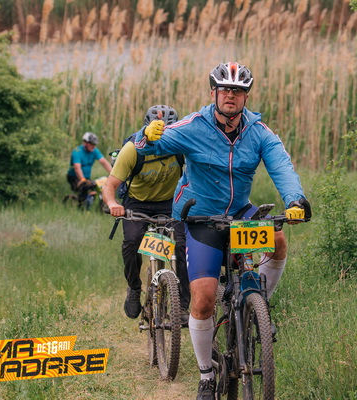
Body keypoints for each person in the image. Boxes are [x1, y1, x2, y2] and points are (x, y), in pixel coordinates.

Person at [133, 62, 309, 399]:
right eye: (225, 89)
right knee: (203, 301)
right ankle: (205, 375)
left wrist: (295, 199)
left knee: (278, 238)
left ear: (246, 97)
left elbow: (282, 166)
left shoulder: (259, 132)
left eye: (238, 91)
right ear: (214, 93)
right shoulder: (194, 125)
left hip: (239, 211)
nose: (231, 95)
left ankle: (259, 307)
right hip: (200, 215)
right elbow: (151, 146)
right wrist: (147, 135)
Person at [102, 105, 190, 320]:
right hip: (137, 203)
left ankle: (183, 303)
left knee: (182, 245)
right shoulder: (132, 150)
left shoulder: (181, 148)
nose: (164, 138)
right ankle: (134, 288)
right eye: (160, 132)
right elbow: (109, 185)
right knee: (132, 241)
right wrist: (113, 204)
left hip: (169, 202)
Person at [66, 132, 113, 209]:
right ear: (85, 143)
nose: (93, 146)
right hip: (74, 177)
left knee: (94, 190)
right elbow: (77, 168)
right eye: (91, 144)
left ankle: (91, 205)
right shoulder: (77, 152)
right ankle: (81, 208)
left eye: (94, 144)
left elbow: (104, 162)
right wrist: (82, 180)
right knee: (83, 190)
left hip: (86, 177)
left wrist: (113, 174)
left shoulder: (94, 151)